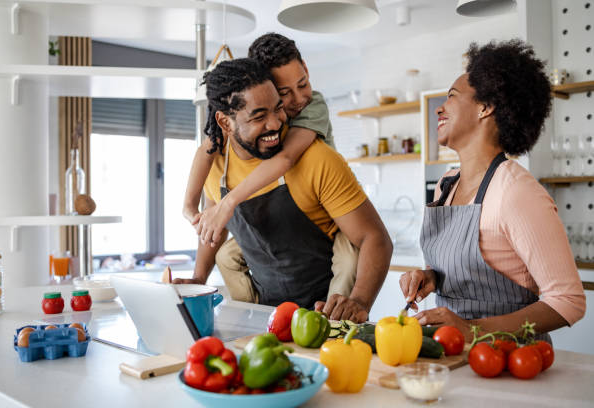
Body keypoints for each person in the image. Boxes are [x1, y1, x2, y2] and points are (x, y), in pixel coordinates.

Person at [175, 58, 392, 322]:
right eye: (258, 116)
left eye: (278, 109)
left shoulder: (317, 159)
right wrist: (198, 279)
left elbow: (376, 238)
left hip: (326, 314)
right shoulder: (216, 164)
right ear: (225, 122)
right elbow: (213, 229)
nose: (275, 124)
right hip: (265, 316)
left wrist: (358, 301)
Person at [400, 39, 585, 341]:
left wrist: (473, 330)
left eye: (451, 97)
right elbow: (461, 270)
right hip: (449, 354)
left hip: (509, 360)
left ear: (485, 108)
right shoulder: (446, 185)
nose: (440, 109)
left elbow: (569, 301)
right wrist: (430, 277)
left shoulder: (516, 191)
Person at [182, 33, 358, 302]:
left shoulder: (313, 107)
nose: (298, 99)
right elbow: (208, 146)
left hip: (332, 221)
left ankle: (337, 317)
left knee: (348, 261)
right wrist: (189, 206)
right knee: (226, 256)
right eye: (284, 93)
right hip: (277, 242)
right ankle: (250, 312)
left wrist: (228, 203)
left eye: (302, 84)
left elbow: (285, 159)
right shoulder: (226, 144)